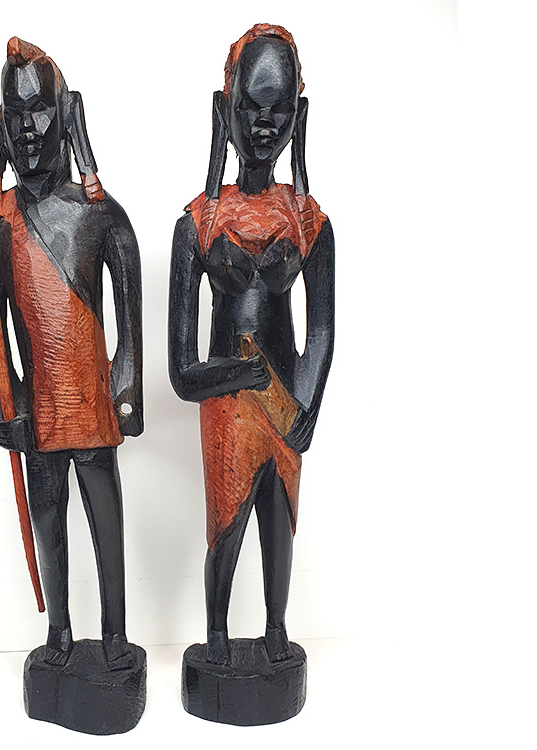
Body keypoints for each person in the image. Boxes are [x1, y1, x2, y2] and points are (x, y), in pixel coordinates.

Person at [168, 24, 334, 665]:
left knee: (280, 520)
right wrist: (241, 377)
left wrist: (305, 403)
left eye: (280, 110)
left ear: (299, 116)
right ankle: (215, 637)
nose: (264, 125)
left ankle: (275, 631)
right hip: (229, 405)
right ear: (224, 109)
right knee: (227, 523)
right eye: (250, 108)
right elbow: (183, 371)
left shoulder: (310, 222)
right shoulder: (198, 225)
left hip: (287, 402)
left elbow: (321, 329)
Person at [0, 37, 143, 670]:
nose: (28, 130)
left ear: (68, 113)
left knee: (105, 519)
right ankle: (61, 631)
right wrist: (5, 401)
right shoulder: (0, 223)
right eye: (15, 117)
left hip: (91, 404)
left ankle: (116, 632)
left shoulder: (97, 215)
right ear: (0, 125)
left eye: (41, 111)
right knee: (50, 520)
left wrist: (128, 378)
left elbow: (129, 304)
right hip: (39, 409)